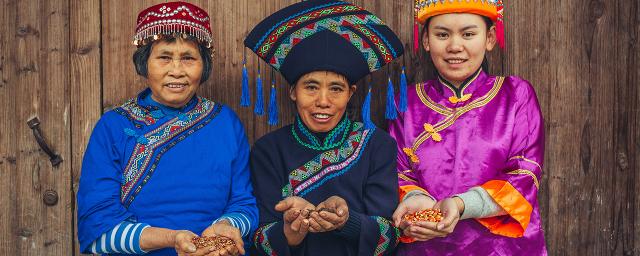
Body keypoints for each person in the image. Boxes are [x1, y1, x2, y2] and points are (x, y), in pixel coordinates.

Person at [77, 2, 257, 255]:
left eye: (188, 58)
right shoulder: (113, 127)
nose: (176, 71)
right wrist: (172, 238)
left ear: (203, 66)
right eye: (164, 57)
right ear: (144, 64)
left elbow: (243, 203)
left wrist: (226, 227)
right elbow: (97, 229)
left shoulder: (225, 122)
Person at [243, 0, 405, 255]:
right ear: (293, 92)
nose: (323, 101)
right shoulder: (268, 150)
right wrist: (290, 232)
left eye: (336, 89)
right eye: (311, 87)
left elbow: (390, 235)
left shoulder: (377, 145)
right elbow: (260, 237)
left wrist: (346, 222)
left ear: (350, 93)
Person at [389, 0, 547, 255]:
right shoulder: (405, 104)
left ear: (490, 38)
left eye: (468, 34)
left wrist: (462, 205)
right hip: (428, 246)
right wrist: (416, 202)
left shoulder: (516, 95)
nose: (454, 46)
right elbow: (398, 172)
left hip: (503, 247)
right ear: (426, 40)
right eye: (442, 34)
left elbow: (525, 174)